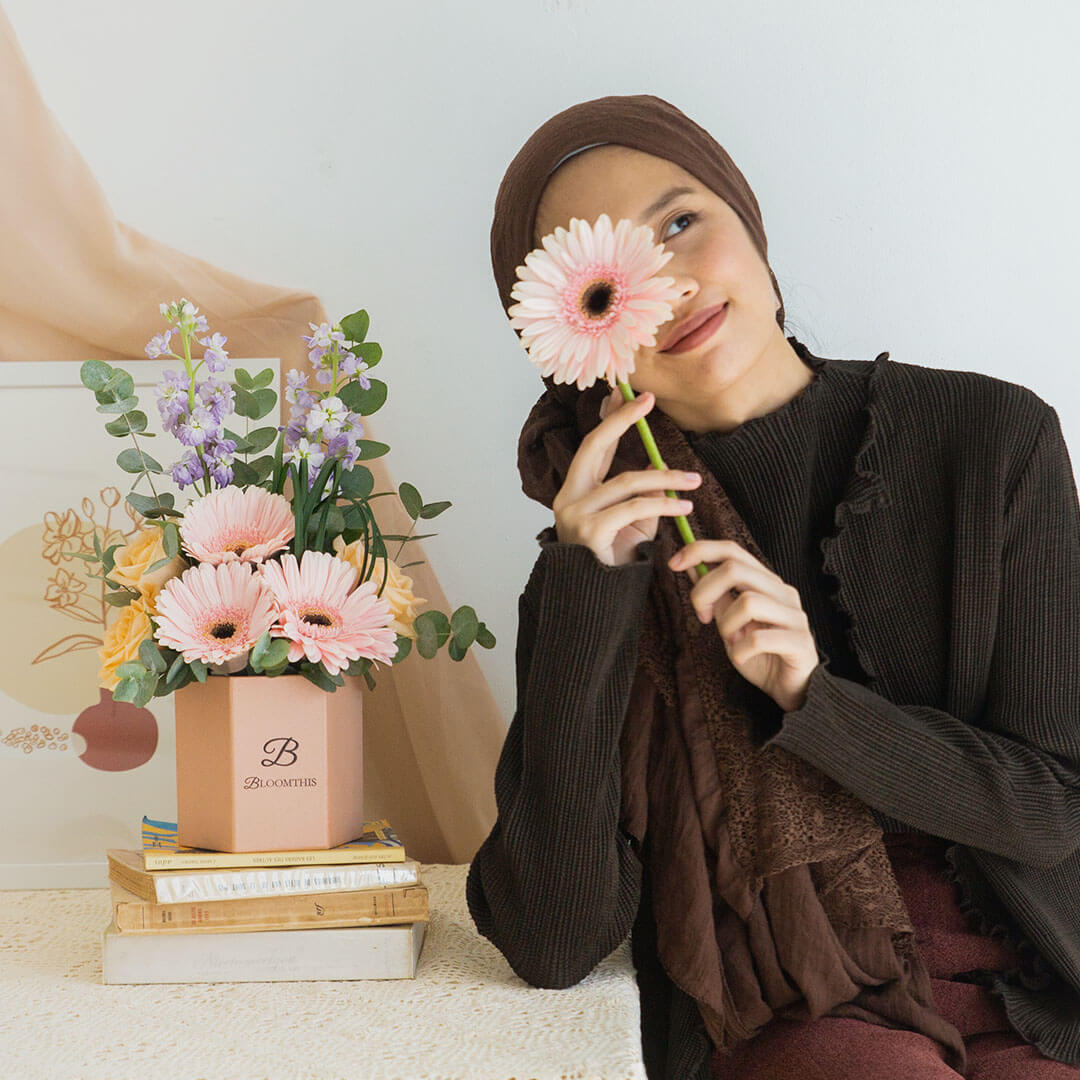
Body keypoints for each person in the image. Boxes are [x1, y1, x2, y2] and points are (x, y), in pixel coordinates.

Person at [466, 94, 1080, 1079]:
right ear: (571, 330)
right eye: (608, 278)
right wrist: (587, 584)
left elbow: (1056, 809)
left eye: (680, 223)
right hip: (790, 1011)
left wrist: (816, 701)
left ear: (746, 222)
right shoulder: (605, 546)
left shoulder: (991, 440)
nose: (667, 284)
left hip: (1036, 995)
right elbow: (551, 939)